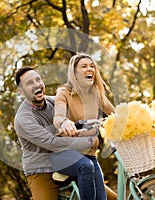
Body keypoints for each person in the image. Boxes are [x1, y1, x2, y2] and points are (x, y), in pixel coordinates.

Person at [14, 67, 99, 200]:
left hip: (67, 160)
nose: (36, 84)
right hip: (41, 169)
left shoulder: (54, 101)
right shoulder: (23, 118)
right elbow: (52, 143)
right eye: (29, 83)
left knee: (109, 197)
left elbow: (78, 112)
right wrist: (89, 141)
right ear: (21, 91)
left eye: (38, 79)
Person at [52, 52, 117, 200]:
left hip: (89, 154)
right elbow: (58, 117)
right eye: (84, 66)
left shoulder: (96, 94)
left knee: (102, 198)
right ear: (74, 73)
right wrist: (65, 122)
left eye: (92, 66)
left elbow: (115, 114)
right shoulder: (64, 93)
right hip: (63, 153)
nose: (90, 69)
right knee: (86, 166)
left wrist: (139, 119)